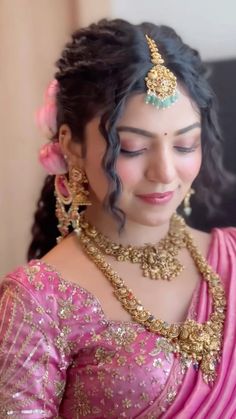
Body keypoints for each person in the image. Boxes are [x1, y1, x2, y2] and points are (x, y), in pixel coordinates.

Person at [0, 18, 235, 419]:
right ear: (71, 145)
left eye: (184, 144)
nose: (164, 172)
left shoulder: (230, 255)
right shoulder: (38, 301)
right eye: (131, 148)